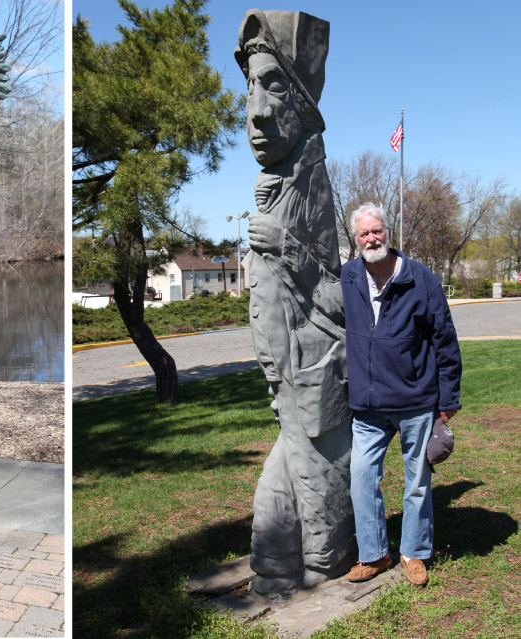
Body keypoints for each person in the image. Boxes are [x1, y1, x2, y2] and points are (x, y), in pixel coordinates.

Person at [235, 9, 355, 596]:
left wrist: (291, 250)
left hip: (316, 389)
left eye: (274, 84)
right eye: (251, 86)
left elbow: (339, 305)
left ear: (303, 102)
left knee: (312, 548)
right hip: (286, 392)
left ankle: (327, 569)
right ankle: (278, 574)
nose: (256, 110)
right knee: (273, 540)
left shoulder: (312, 184)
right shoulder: (281, 182)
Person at [341, 202, 462, 587]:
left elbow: (445, 340)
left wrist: (448, 398)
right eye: (364, 234)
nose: (371, 238)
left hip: (415, 400)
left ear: (387, 233)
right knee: (361, 476)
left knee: (417, 482)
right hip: (369, 404)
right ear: (355, 239)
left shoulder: (421, 279)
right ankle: (375, 554)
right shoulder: (347, 276)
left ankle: (414, 553)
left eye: (377, 231)